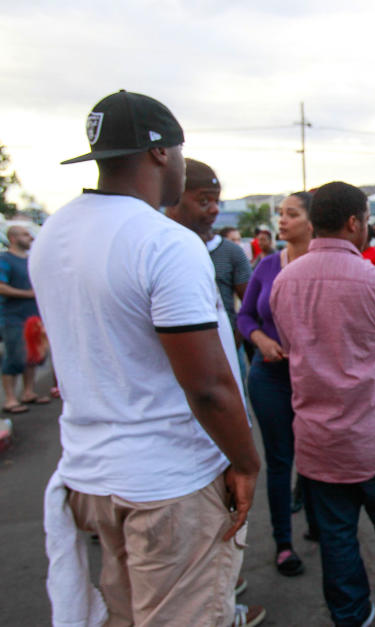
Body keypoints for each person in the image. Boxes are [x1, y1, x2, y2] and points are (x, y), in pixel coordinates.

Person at [33, 90, 263, 626]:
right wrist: (247, 462)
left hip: (90, 475)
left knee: (123, 614)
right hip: (168, 482)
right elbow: (207, 385)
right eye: (181, 151)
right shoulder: (163, 241)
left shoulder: (54, 234)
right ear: (161, 153)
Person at [271, 182, 375, 627]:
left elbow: (289, 342)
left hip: (318, 441)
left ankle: (350, 617)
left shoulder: (284, 281)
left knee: (336, 540)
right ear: (355, 222)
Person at [237, 191, 313, 577]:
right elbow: (245, 316)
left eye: (292, 214)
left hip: (314, 379)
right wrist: (261, 340)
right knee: (280, 460)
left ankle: (317, 522)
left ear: (313, 222)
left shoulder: (324, 266)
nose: (281, 221)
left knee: (315, 456)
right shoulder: (267, 266)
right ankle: (283, 544)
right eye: (281, 214)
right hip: (269, 377)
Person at [166, 159, 252, 351]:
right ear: (173, 200)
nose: (214, 209)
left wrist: (232, 343)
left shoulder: (231, 252)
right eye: (203, 201)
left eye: (217, 201)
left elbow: (249, 306)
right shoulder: (160, 251)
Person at [0, 225, 46, 413]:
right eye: (26, 235)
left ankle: (28, 392)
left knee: (32, 356)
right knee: (14, 357)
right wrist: (28, 294)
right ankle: (10, 399)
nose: (31, 238)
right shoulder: (5, 260)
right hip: (12, 317)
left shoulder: (31, 260)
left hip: (32, 316)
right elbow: (1, 287)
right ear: (13, 238)